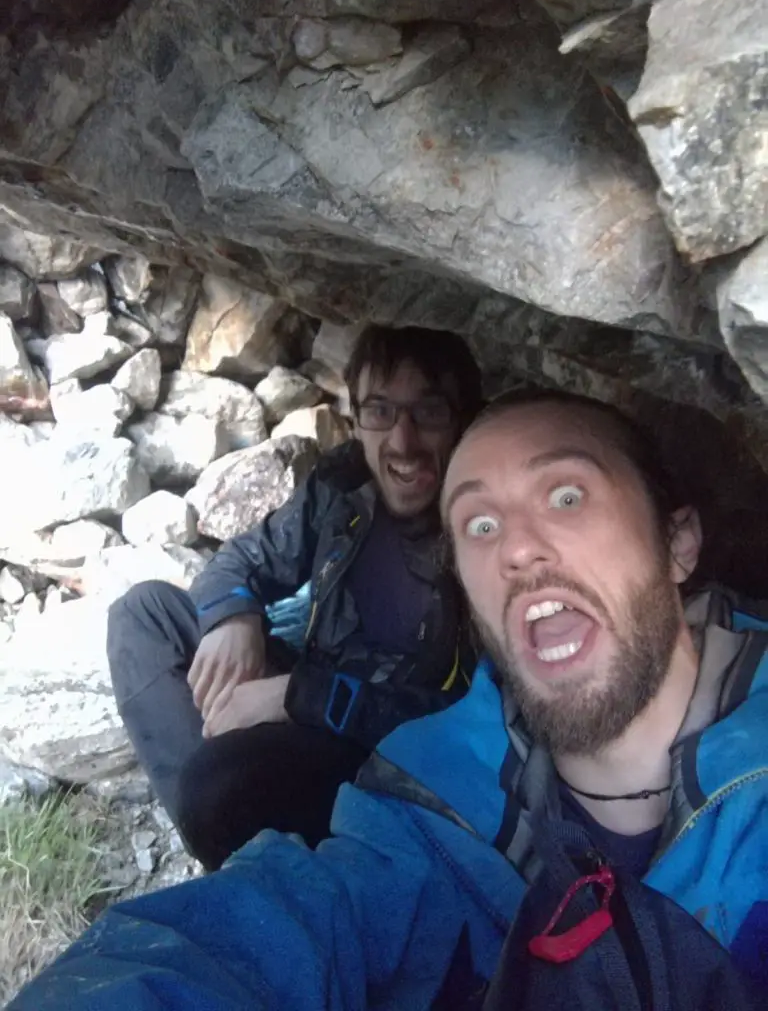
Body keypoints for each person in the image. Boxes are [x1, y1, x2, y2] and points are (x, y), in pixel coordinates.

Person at [12, 389, 768, 1010]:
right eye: (480, 523)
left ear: (678, 544)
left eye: (566, 495)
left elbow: (407, 696)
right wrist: (231, 614)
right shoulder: (426, 809)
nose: (516, 547)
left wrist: (302, 694)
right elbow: (267, 933)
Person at [106, 325, 482, 870]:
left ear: (463, 423)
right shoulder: (342, 490)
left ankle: (233, 830)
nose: (402, 442)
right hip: (303, 694)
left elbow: (464, 725)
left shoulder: (480, 535)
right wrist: (235, 618)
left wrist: (297, 696)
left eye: (428, 413)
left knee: (218, 784)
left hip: (378, 757)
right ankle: (238, 846)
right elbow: (242, 560)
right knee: (145, 614)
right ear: (356, 420)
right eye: (380, 411)